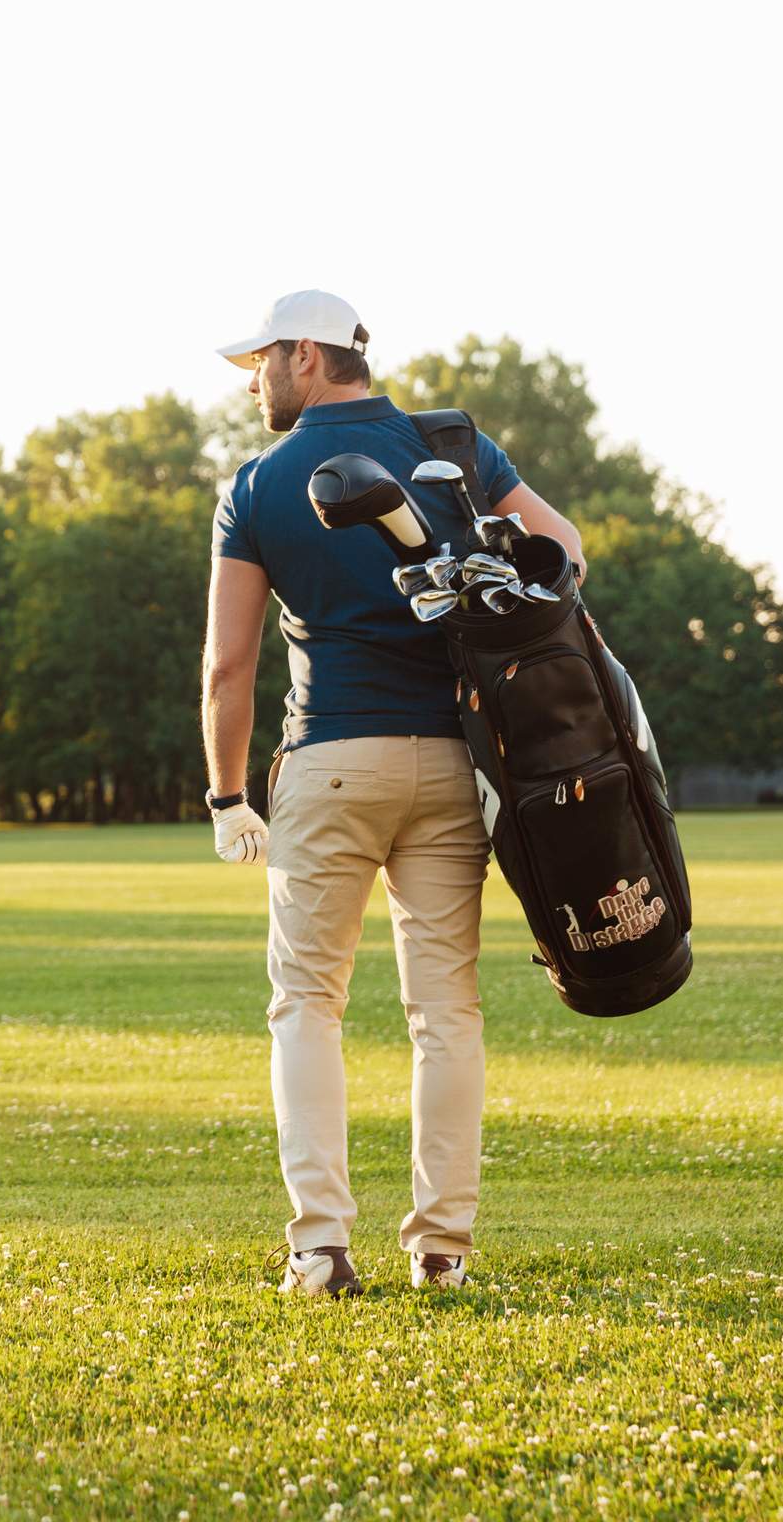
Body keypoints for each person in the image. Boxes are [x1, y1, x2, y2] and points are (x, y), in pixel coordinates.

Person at [199, 290, 585, 1299]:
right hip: (452, 763)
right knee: (445, 1008)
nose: (254, 383)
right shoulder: (452, 447)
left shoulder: (256, 484)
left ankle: (321, 1249)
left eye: (261, 363)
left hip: (329, 760)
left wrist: (226, 797)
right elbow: (568, 555)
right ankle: (442, 1251)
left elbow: (228, 667)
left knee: (307, 1005)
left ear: (305, 355)